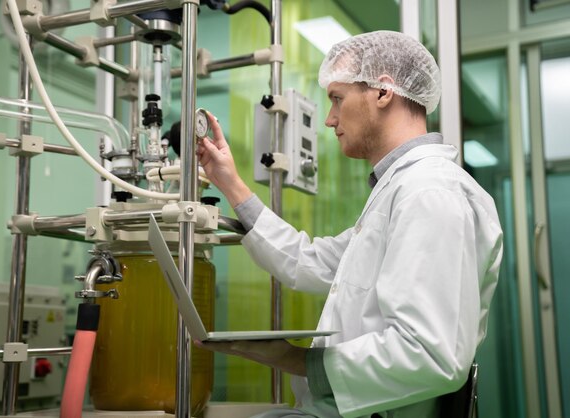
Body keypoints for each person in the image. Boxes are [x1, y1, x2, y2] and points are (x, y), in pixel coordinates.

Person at [195, 30, 503, 418]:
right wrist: (229, 182)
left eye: (337, 99)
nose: (329, 119)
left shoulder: (431, 193)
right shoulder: (401, 190)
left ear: (382, 92)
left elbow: (429, 354)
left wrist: (296, 359)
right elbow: (310, 260)